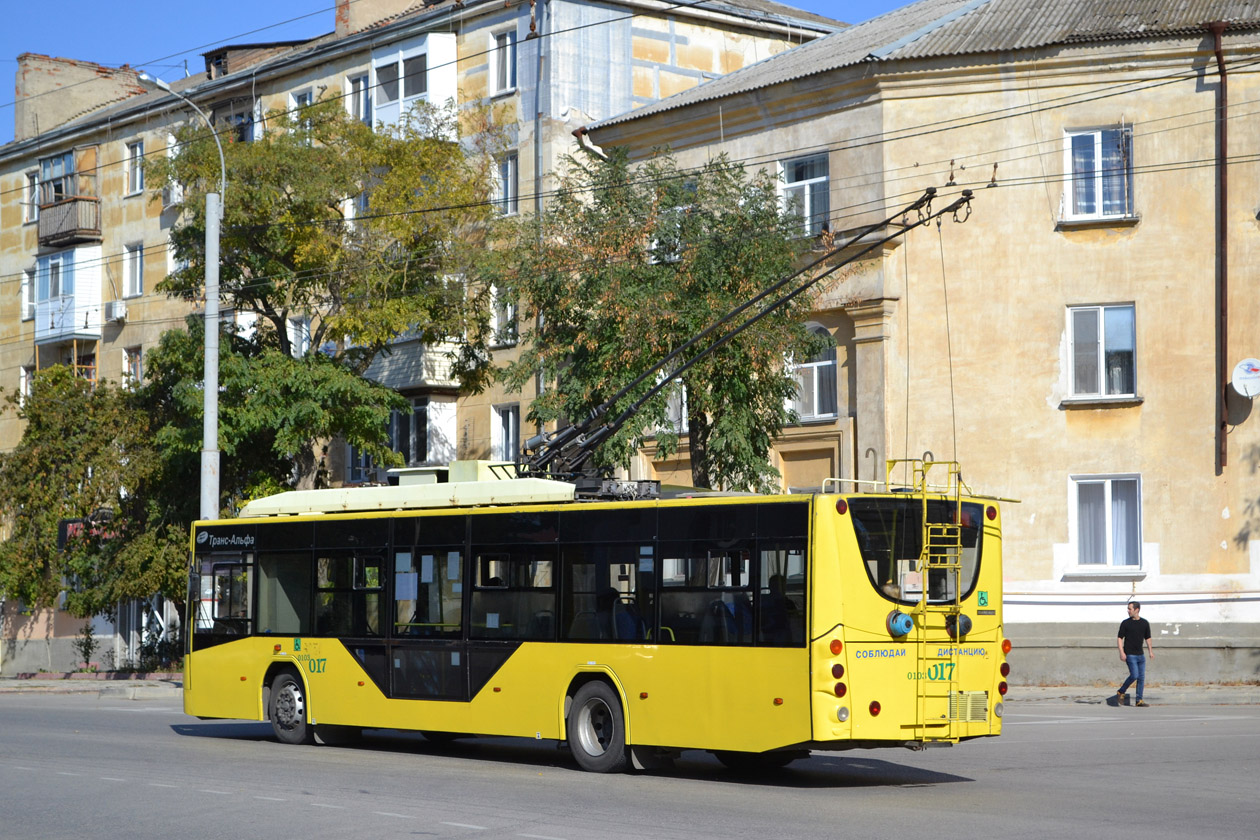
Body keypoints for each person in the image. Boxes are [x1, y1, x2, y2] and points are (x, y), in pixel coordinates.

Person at [1116, 601, 1154, 707]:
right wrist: (1121, 652)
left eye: (1130, 609)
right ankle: (1121, 691)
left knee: (1141, 678)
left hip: (1140, 655)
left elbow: (1148, 638)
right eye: (1128, 609)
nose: (1128, 611)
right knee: (1134, 675)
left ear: (1136, 610)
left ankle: (1139, 700)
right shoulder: (1125, 623)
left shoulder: (1144, 623)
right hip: (1130, 654)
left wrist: (1150, 651)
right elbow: (1120, 638)